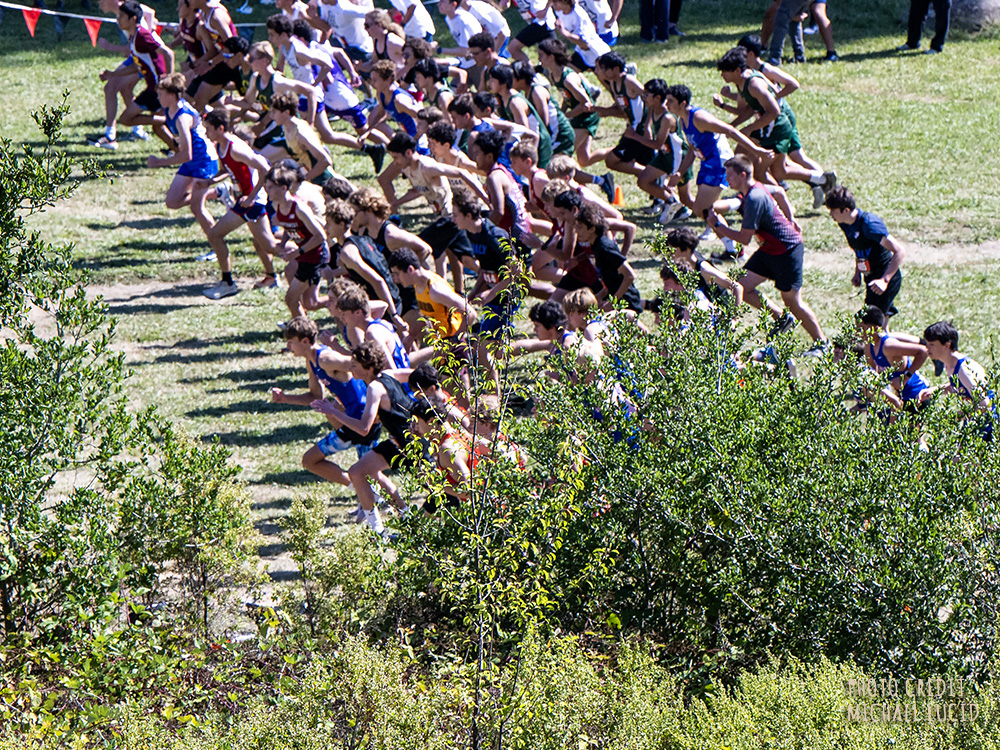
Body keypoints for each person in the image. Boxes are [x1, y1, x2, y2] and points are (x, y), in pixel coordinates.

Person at [707, 154, 828, 354]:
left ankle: (822, 343)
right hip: (769, 249)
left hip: (787, 250)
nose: (727, 179)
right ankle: (781, 317)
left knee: (793, 301)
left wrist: (718, 226)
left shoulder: (754, 199)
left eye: (730, 175)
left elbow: (744, 239)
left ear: (743, 174)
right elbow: (779, 191)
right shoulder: (754, 189)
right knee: (741, 286)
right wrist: (791, 219)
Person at [313, 341, 416, 535]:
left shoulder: (374, 388)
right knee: (357, 472)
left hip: (409, 444)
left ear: (368, 368)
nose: (350, 368)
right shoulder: (388, 374)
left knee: (441, 488)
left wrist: (332, 411)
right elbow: (415, 374)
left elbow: (363, 428)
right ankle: (382, 530)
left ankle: (399, 526)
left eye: (354, 365)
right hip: (400, 440)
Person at [273, 316, 386, 491]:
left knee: (312, 460)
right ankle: (366, 493)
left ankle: (371, 495)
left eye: (291, 342)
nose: (288, 346)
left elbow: (365, 365)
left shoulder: (326, 359)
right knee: (368, 474)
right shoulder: (312, 361)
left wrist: (379, 401)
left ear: (305, 341)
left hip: (363, 420)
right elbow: (314, 396)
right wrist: (285, 398)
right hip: (352, 420)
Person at [715, 47, 835, 210]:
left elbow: (774, 111)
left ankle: (778, 205)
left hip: (774, 127)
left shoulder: (754, 84)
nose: (722, 75)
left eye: (725, 71)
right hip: (766, 125)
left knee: (758, 169)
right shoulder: (741, 82)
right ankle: (821, 179)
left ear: (737, 70)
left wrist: (749, 128)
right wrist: (732, 127)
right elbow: (749, 109)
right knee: (775, 170)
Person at [663, 84, 770, 250]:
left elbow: (730, 130)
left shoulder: (699, 118)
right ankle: (732, 249)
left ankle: (737, 203)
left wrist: (756, 150)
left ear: (683, 103)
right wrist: (680, 173)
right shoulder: (682, 119)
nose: (666, 104)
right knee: (706, 211)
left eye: (670, 101)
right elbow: (692, 148)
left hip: (719, 163)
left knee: (702, 209)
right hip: (707, 162)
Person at [201, 109, 279, 297]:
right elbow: (227, 170)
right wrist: (210, 181)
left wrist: (251, 197)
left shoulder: (236, 147)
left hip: (252, 202)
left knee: (216, 235)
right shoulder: (221, 146)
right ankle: (271, 277)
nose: (206, 133)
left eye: (208, 129)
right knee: (262, 243)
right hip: (244, 201)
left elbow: (265, 168)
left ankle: (307, 255)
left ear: (220, 129)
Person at [145, 72, 219, 244]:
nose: (158, 97)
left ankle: (216, 246)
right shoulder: (169, 109)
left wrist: (159, 162)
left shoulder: (182, 117)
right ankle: (218, 193)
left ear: (172, 95)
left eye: (161, 94)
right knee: (172, 201)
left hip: (204, 161)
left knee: (197, 208)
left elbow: (186, 154)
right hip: (193, 162)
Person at [92, 0, 175, 150]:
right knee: (157, 128)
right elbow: (137, 66)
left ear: (133, 19)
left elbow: (168, 53)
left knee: (127, 119)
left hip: (157, 88)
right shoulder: (134, 37)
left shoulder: (142, 35)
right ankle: (175, 149)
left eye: (121, 17)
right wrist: (113, 74)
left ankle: (166, 121)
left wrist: (169, 80)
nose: (118, 20)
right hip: (152, 87)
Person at [825, 186, 905, 324]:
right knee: (879, 329)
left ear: (846, 210)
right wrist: (858, 272)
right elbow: (860, 248)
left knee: (867, 325)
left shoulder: (870, 225)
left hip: (883, 280)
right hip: (871, 278)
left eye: (833, 210)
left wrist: (884, 280)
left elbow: (899, 251)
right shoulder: (845, 223)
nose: (831, 214)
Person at [264, 163, 330, 320]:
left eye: (271, 187)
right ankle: (341, 302)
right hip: (305, 255)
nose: (267, 190)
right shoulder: (278, 205)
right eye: (266, 186)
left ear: (284, 188)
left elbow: (320, 235)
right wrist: (282, 243)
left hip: (315, 256)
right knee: (310, 303)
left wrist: (298, 252)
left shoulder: (299, 208)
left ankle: (302, 329)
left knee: (291, 298)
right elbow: (290, 227)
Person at [922, 321, 995, 440]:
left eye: (932, 344)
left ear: (947, 345)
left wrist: (957, 415)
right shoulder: (949, 364)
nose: (927, 348)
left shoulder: (964, 369)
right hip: (975, 419)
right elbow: (959, 387)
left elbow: (985, 404)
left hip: (988, 423)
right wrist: (936, 390)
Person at [856, 306, 932, 412]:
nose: (858, 333)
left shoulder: (888, 346)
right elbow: (872, 371)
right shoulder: (870, 346)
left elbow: (923, 351)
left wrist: (905, 378)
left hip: (917, 394)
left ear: (876, 328)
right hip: (900, 397)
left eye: (862, 328)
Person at [550, 0, 611, 72]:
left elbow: (584, 43)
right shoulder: (560, 11)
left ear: (566, 2)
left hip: (594, 51)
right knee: (567, 71)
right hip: (582, 52)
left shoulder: (579, 15)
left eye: (556, 1)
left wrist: (564, 32)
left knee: (605, 76)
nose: (553, 4)